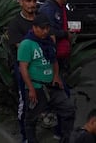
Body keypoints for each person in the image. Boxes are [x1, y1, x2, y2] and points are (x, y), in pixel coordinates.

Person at [18, 13, 75, 143]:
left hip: (51, 85)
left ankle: (66, 138)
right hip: (36, 87)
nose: (45, 31)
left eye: (47, 28)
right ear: (34, 27)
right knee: (31, 118)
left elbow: (54, 60)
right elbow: (23, 68)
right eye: (42, 28)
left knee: (68, 109)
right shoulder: (26, 44)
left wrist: (56, 76)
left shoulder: (49, 41)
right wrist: (31, 88)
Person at [7, 0, 39, 139]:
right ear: (21, 3)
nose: (32, 4)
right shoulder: (15, 24)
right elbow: (22, 49)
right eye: (28, 1)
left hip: (43, 69)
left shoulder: (41, 19)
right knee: (25, 104)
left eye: (34, 1)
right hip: (25, 71)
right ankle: (25, 136)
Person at [40, 0, 72, 75]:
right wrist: (65, 34)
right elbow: (49, 30)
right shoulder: (49, 9)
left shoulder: (58, 7)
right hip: (51, 50)